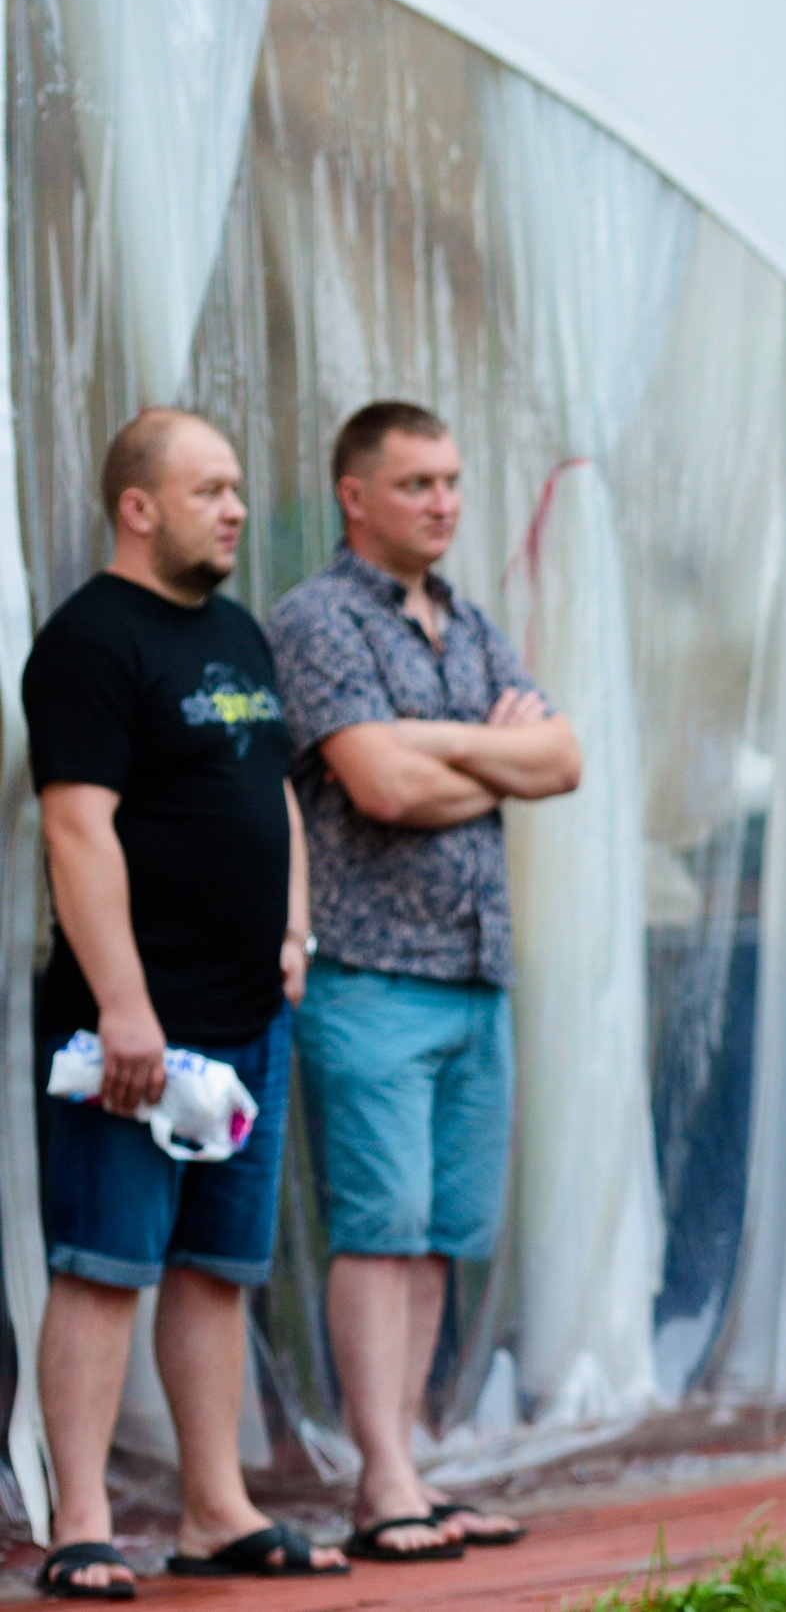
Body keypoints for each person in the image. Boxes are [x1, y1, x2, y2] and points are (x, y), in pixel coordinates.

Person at [24, 408, 351, 1597]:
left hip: (247, 1023)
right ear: (138, 506)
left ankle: (216, 1509)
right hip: (131, 1028)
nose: (236, 509)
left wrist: (294, 929)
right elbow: (77, 827)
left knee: (216, 1270)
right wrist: (123, 1004)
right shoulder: (89, 643)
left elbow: (271, 797)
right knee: (104, 1266)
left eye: (237, 489)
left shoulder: (238, 636)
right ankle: (83, 1523)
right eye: (209, 489)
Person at [268, 402, 580, 1562]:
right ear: (356, 495)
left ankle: (409, 1464)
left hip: (473, 966)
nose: (444, 502)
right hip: (369, 970)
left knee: (443, 1232)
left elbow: (565, 757)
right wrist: (489, 757)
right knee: (380, 1227)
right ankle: (383, 1480)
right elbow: (376, 787)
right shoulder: (315, 619)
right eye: (417, 485)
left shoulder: (468, 617)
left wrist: (432, 744)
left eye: (451, 481)